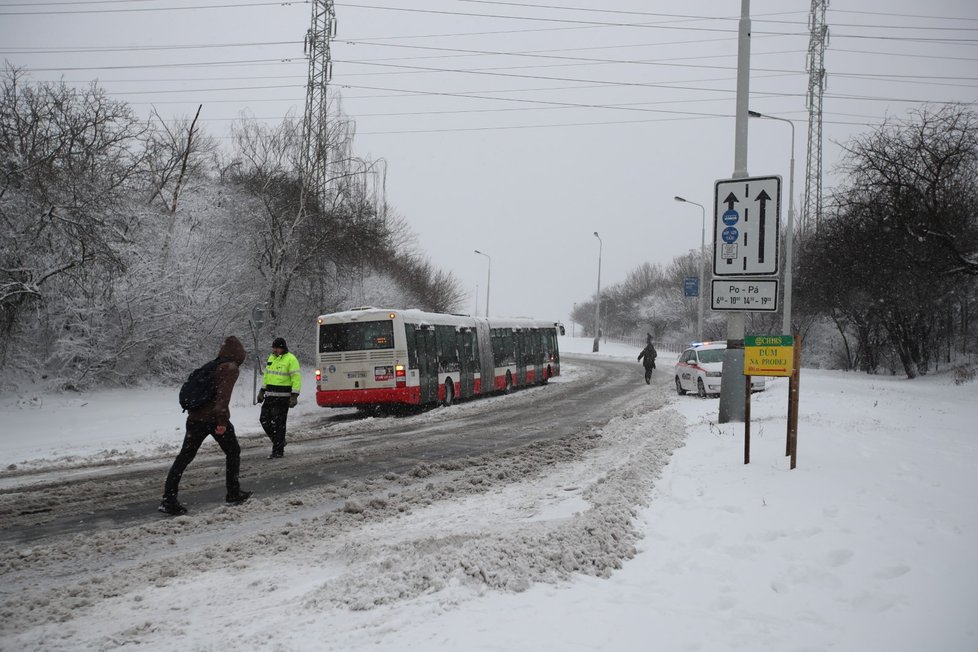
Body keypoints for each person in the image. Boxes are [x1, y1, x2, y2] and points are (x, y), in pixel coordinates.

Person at [160, 336, 252, 515]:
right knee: (233, 451)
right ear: (239, 355)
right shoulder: (230, 368)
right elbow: (222, 398)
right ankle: (233, 493)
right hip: (213, 419)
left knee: (184, 457)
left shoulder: (212, 365)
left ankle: (168, 499)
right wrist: (222, 422)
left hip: (194, 418)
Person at [257, 337, 301, 459]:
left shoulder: (291, 359)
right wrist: (262, 391)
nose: (275, 350)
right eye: (274, 348)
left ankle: (278, 451)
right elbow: (267, 376)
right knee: (264, 420)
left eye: (277, 348)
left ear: (283, 348)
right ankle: (279, 441)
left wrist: (294, 395)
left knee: (279, 424)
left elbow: (296, 378)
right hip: (270, 396)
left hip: (283, 398)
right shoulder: (271, 358)